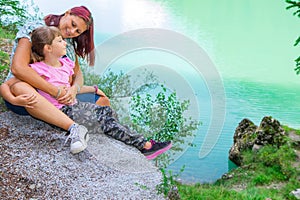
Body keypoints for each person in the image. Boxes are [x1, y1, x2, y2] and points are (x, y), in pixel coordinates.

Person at [1, 25, 172, 159]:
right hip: (60, 112)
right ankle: (144, 146)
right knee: (103, 119)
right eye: (60, 41)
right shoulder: (38, 69)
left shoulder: (66, 65)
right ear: (48, 49)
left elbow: (75, 88)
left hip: (73, 106)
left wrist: (95, 89)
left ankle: (130, 141)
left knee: (106, 111)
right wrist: (13, 100)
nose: (65, 43)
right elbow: (8, 84)